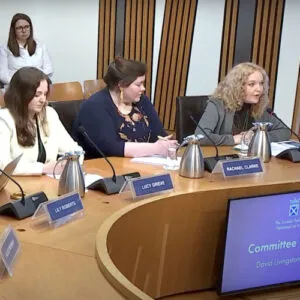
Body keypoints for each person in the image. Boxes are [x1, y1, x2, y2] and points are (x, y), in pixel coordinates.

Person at [72, 57, 177, 158]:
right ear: (121, 85)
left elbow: (159, 134)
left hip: (141, 166)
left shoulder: (142, 101)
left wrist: (166, 144)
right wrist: (155, 148)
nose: (143, 88)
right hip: (103, 168)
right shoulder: (94, 106)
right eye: (138, 84)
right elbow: (110, 147)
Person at [0, 67, 83, 175]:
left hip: (48, 183)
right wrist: (43, 169)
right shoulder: (4, 119)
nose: (43, 100)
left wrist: (71, 162)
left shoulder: (49, 114)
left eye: (45, 94)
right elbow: (3, 166)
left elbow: (74, 150)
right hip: (18, 187)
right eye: (37, 95)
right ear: (21, 95)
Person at [195, 62, 290, 145]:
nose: (259, 89)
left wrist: (257, 137)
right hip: (222, 159)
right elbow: (200, 136)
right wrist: (233, 139)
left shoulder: (258, 107)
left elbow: (285, 131)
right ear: (237, 86)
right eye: (251, 84)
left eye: (261, 83)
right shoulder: (217, 105)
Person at [0, 13, 53, 89]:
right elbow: (3, 74)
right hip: (16, 88)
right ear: (13, 30)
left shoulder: (40, 46)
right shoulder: (4, 49)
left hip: (37, 86)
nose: (24, 30)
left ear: (30, 28)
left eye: (26, 27)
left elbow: (49, 69)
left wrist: (35, 81)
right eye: (19, 28)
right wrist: (21, 83)